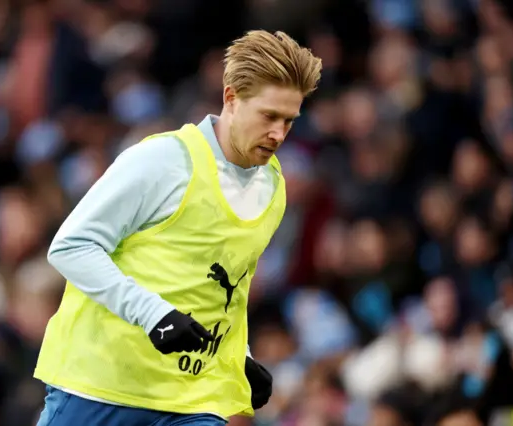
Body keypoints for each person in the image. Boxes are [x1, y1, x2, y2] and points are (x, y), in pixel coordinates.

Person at [33, 29, 322, 426]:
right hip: (99, 387)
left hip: (190, 401)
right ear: (231, 98)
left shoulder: (273, 186)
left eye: (289, 121)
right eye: (269, 116)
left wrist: (241, 357)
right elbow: (70, 246)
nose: (278, 133)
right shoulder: (163, 160)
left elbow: (223, 290)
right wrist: (153, 314)